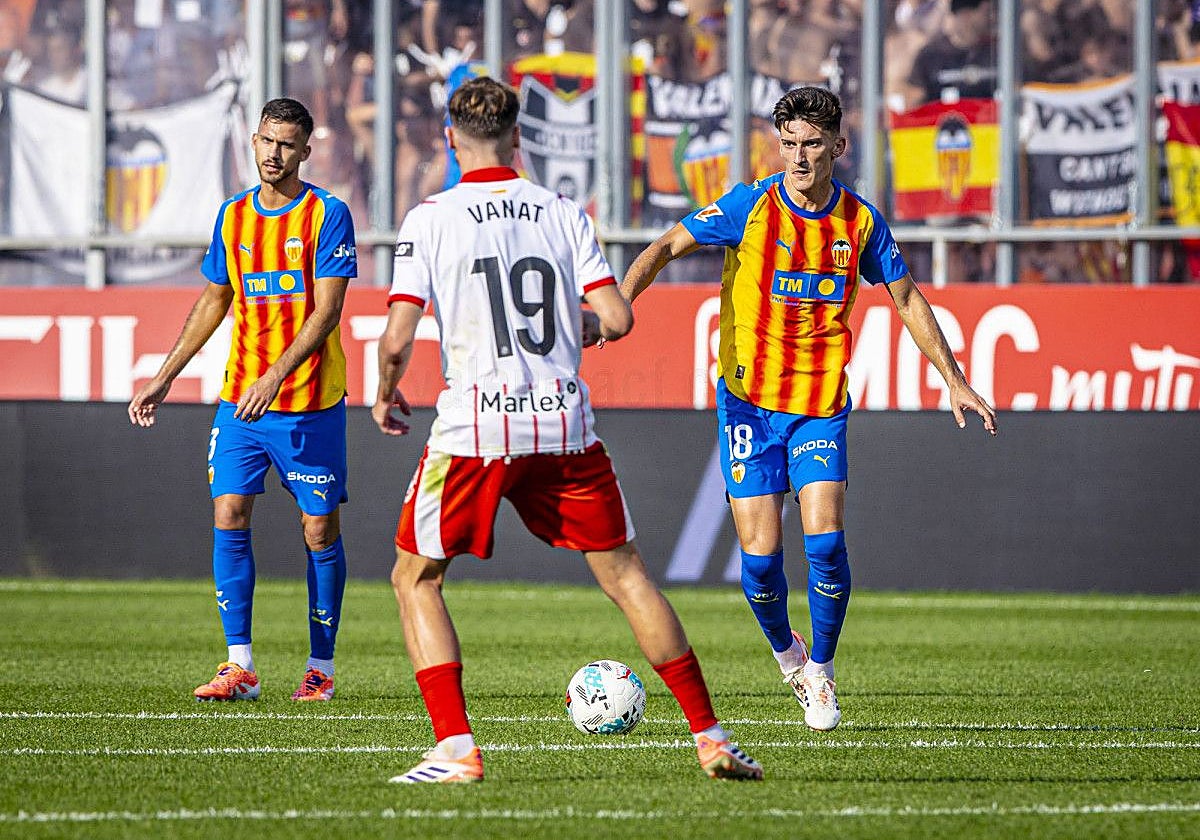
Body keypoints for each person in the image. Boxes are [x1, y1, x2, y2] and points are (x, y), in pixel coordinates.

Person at [372, 76, 762, 784]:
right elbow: (616, 319)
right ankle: (710, 735)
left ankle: (456, 750)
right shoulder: (560, 212)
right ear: (519, 138)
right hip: (562, 423)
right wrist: (565, 329)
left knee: (415, 577)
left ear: (451, 140)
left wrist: (384, 389)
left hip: (475, 430)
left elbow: (399, 336)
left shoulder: (430, 217)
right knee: (627, 577)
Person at [620, 85, 997, 732]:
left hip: (819, 407)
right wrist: (623, 303)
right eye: (789, 144)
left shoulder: (861, 224)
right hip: (747, 408)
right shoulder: (749, 206)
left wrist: (955, 379)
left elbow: (907, 299)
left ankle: (820, 672)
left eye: (812, 145)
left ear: (838, 148)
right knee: (760, 561)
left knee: (825, 541)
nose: (798, 157)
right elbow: (661, 249)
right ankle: (786, 652)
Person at [128, 98, 357, 703]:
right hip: (241, 404)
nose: (273, 154)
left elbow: (327, 311)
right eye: (266, 141)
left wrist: (277, 375)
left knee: (318, 529)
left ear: (306, 151)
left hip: (308, 404)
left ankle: (321, 667)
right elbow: (214, 300)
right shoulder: (233, 217)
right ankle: (241, 667)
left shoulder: (327, 215)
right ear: (253, 141)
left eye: (287, 145)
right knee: (229, 512)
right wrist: (166, 373)